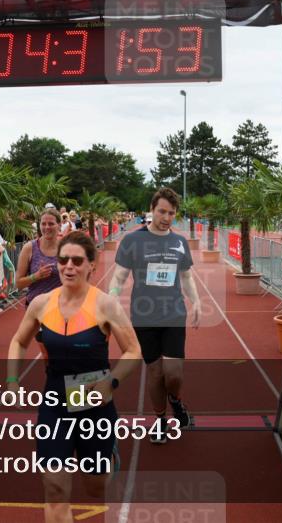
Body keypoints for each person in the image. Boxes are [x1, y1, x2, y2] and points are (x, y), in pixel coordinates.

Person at [6, 230, 141, 523]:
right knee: (54, 486)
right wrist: (12, 382)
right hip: (55, 399)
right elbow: (18, 341)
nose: (69, 266)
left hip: (95, 400)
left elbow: (133, 351)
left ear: (92, 265)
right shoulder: (42, 303)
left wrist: (111, 382)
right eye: (63, 260)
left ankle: (109, 456)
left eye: (77, 261)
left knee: (96, 486)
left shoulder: (106, 305)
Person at [109, 187, 201, 443]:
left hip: (173, 314)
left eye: (171, 213)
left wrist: (196, 302)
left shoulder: (179, 242)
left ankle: (176, 400)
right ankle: (160, 420)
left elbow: (186, 276)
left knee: (173, 373)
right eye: (162, 211)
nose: (166, 217)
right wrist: (112, 299)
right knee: (155, 372)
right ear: (152, 210)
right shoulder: (132, 241)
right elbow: (119, 276)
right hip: (143, 316)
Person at [16, 207, 63, 307]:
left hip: (59, 308)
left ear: (59, 225)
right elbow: (18, 284)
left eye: (51, 224)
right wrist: (36, 276)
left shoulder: (66, 247)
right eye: (43, 224)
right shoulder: (29, 248)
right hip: (35, 308)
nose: (47, 227)